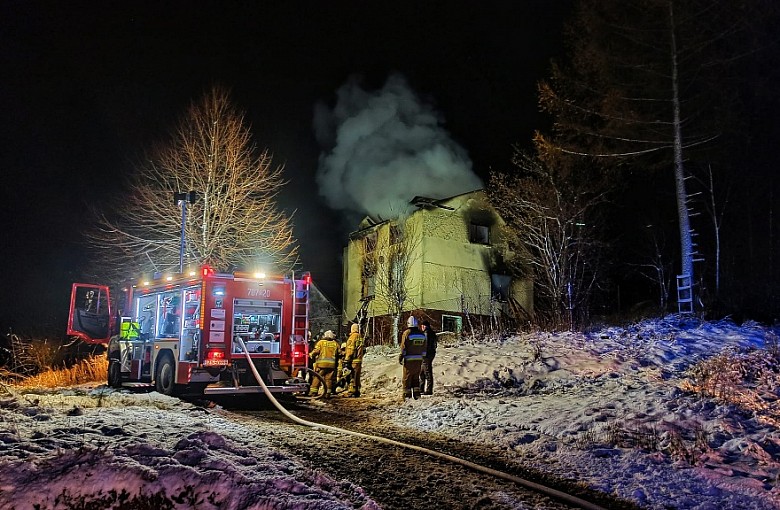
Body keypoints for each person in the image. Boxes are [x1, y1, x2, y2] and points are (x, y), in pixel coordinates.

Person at [398, 315, 426, 400]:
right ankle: (417, 395)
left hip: (409, 360)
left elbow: (403, 347)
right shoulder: (421, 334)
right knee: (415, 377)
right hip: (419, 360)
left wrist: (401, 356)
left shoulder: (407, 333)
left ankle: (407, 395)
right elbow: (424, 348)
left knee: (407, 378)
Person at [308, 330, 339, 397]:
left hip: (321, 365)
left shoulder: (321, 342)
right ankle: (327, 393)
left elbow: (316, 351)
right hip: (331, 365)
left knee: (317, 377)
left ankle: (313, 392)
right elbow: (339, 353)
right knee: (328, 379)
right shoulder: (335, 343)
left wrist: (310, 354)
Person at [344, 323, 365, 397]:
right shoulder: (360, 336)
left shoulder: (353, 337)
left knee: (352, 376)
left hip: (353, 360)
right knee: (357, 377)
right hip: (358, 360)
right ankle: (356, 391)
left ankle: (351, 392)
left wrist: (347, 360)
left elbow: (351, 349)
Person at [419, 320, 437, 395]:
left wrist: (423, 354)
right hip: (430, 354)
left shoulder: (426, 333)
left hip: (426, 355)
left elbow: (425, 345)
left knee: (427, 372)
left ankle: (428, 390)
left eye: (423, 326)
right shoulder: (433, 333)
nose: (422, 327)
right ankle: (421, 388)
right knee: (422, 372)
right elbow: (435, 345)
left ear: (426, 326)